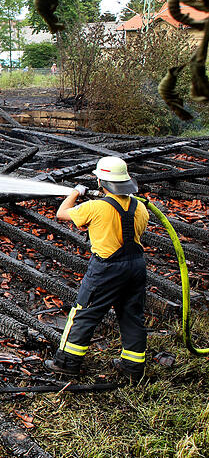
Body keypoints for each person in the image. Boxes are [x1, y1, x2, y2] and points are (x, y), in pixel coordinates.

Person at [49, 156, 149, 381]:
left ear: (101, 182)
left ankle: (67, 363)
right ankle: (133, 368)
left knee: (84, 312)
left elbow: (61, 213)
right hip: (136, 267)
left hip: (107, 268)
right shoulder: (140, 207)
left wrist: (75, 193)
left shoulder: (95, 207)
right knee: (132, 314)